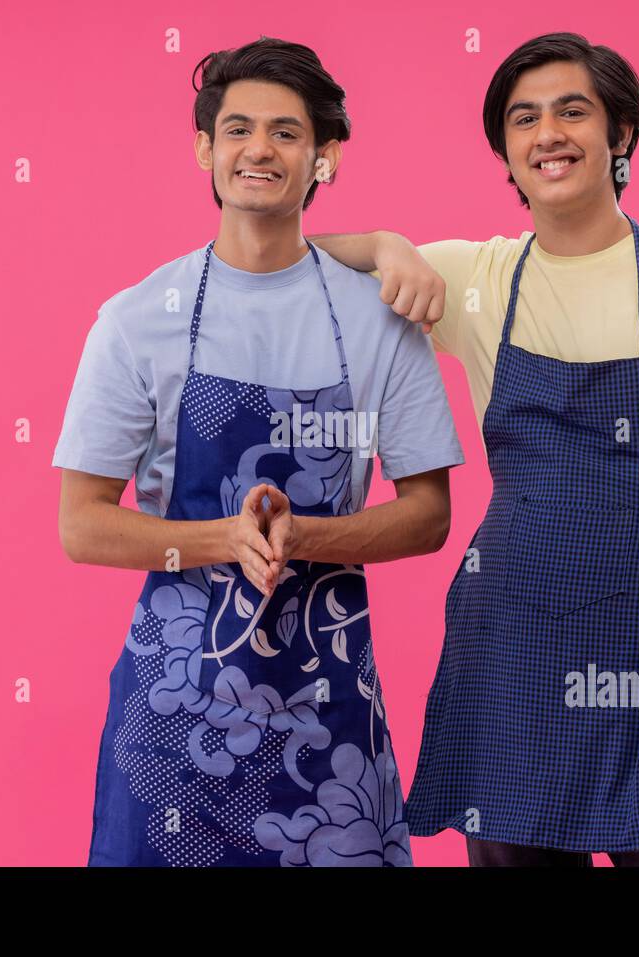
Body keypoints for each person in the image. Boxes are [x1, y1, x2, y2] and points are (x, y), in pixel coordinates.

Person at [310, 32, 639, 866]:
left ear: (620, 133)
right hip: (512, 667)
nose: (547, 134)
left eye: (572, 111)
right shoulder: (482, 278)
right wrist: (387, 245)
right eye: (524, 119)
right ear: (508, 154)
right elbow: (301, 265)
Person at [51, 36, 465, 867]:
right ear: (206, 150)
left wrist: (303, 536)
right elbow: (83, 525)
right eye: (238, 130)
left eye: (286, 132)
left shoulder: (381, 318)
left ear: (323, 158)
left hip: (329, 720)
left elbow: (428, 516)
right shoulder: (138, 320)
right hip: (173, 727)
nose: (259, 150)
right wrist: (220, 540)